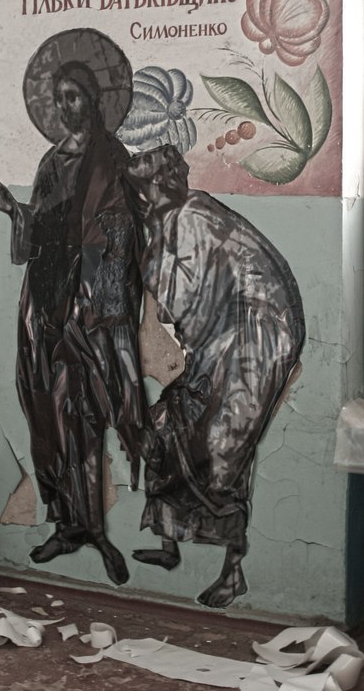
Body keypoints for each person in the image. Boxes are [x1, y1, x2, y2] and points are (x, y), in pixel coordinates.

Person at [0, 30, 148, 586]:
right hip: (45, 300)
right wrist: (13, 211)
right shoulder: (51, 161)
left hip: (91, 306)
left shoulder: (113, 159)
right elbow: (37, 230)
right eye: (58, 99)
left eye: (73, 96)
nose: (64, 106)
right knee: (47, 413)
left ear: (94, 100)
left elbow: (124, 232)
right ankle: (65, 523)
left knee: (85, 414)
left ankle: (96, 529)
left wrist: (94, 289)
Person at [126, 144, 306, 607]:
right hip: (216, 339)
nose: (143, 197)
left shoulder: (192, 217)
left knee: (224, 445)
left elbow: (181, 300)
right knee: (167, 425)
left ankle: (233, 572)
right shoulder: (167, 221)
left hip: (254, 338)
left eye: (146, 188)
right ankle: (169, 543)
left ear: (163, 184)